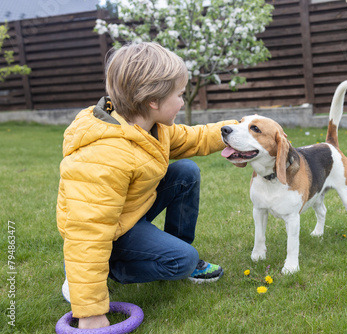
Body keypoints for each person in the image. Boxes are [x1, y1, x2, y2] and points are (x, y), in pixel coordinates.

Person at [56, 42, 237, 329]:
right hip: (109, 233)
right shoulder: (104, 156)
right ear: (154, 101)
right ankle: (109, 269)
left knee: (186, 171)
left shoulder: (152, 127)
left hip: (127, 214)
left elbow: (194, 138)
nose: (182, 101)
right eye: (179, 95)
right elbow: (87, 233)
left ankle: (176, 252)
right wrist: (90, 310)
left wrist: (237, 132)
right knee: (182, 260)